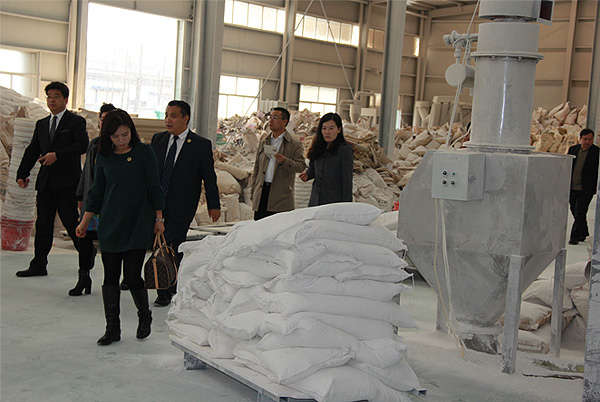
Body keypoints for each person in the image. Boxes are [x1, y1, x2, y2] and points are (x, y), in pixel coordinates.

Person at [76, 109, 165, 346]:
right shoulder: (104, 155)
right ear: (108, 136)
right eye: (115, 136)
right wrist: (84, 221)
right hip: (111, 223)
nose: (121, 140)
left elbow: (154, 187)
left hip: (138, 222)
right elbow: (96, 191)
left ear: (131, 131)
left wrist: (159, 218)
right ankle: (112, 328)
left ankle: (144, 316)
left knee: (133, 275)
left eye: (125, 134)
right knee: (110, 276)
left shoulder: (144, 152)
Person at [150, 100, 221, 307]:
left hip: (182, 205)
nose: (168, 120)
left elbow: (209, 177)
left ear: (185, 119)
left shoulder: (200, 144)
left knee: (170, 243)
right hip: (157, 203)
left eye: (173, 116)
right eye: (166, 115)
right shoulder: (158, 139)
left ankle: (165, 290)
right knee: (160, 244)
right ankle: (171, 284)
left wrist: (214, 204)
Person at [15, 82, 89, 278]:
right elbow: (33, 150)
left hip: (67, 183)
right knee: (43, 225)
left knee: (71, 223)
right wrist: (22, 173)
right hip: (46, 182)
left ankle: (86, 259)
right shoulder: (42, 124)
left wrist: (58, 155)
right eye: (49, 96)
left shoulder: (75, 122)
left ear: (65, 100)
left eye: (56, 96)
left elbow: (82, 145)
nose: (52, 100)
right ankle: (38, 264)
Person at [70, 103, 116, 296]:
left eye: (110, 119)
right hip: (91, 204)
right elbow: (85, 173)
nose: (105, 123)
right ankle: (83, 278)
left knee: (111, 245)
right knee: (85, 241)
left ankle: (113, 282)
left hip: (111, 205)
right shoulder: (94, 144)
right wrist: (80, 195)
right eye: (103, 119)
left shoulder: (120, 147)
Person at [251, 107, 306, 220]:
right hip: (262, 192)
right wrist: (253, 191)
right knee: (259, 227)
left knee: (277, 227)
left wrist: (285, 161)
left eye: (275, 117)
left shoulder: (294, 144)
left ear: (284, 122)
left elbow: (301, 166)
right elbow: (256, 168)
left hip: (280, 195)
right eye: (270, 117)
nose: (270, 121)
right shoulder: (264, 142)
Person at [300, 112, 354, 206]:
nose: (327, 132)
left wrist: (347, 205)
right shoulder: (318, 147)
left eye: (331, 129)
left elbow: (347, 180)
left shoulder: (345, 150)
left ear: (339, 130)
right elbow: (313, 168)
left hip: (334, 202)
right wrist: (307, 175)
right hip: (316, 200)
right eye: (324, 128)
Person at [567, 128, 599, 245]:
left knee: (580, 211)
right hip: (572, 187)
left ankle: (574, 236)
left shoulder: (596, 152)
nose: (587, 142)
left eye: (590, 139)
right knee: (575, 211)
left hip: (586, 188)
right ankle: (583, 232)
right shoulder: (573, 150)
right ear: (580, 139)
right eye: (585, 139)